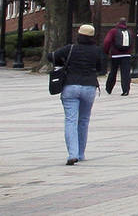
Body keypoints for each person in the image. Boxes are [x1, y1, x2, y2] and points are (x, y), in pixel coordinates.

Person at [48, 23, 104, 165]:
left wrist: (64, 62)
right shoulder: (97, 51)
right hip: (89, 87)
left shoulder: (70, 48)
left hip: (70, 86)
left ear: (79, 35)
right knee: (84, 121)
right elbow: (102, 68)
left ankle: (72, 154)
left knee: (71, 120)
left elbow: (51, 56)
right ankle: (81, 153)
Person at [103, 17, 133, 95]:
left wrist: (106, 51)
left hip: (115, 55)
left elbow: (107, 41)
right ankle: (126, 90)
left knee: (113, 72)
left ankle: (109, 88)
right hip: (127, 55)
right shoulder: (129, 32)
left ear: (118, 23)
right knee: (126, 73)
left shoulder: (113, 31)